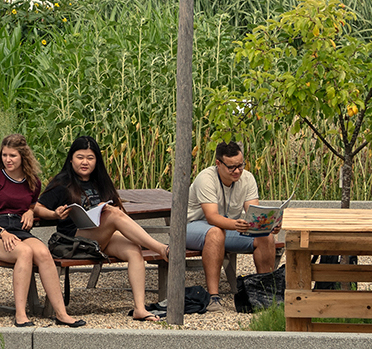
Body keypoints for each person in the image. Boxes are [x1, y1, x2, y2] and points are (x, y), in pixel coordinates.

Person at [39, 135, 170, 322]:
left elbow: (119, 211)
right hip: (75, 239)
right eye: (80, 157)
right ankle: (161, 249)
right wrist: (54, 214)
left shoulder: (100, 181)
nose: (85, 162)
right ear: (71, 159)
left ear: (96, 160)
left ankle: (139, 308)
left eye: (90, 158)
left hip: (100, 236)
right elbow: (37, 206)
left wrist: (105, 210)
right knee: (113, 215)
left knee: (134, 249)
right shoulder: (62, 183)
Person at [0, 134, 84, 328]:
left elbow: (33, 204)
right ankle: (20, 314)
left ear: (23, 157)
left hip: (19, 229)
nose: (7, 160)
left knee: (43, 253)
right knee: (25, 252)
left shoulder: (33, 182)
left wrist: (29, 210)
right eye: (4, 155)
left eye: (12, 156)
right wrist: (3, 232)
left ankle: (61, 313)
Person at [187, 141, 280, 313]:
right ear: (218, 164)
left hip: (228, 227)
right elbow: (212, 217)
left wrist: (267, 225)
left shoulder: (248, 178)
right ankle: (213, 297)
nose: (237, 171)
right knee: (215, 233)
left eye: (240, 165)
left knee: (265, 237)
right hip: (194, 226)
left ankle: (265, 294)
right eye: (231, 167)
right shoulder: (205, 178)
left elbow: (254, 212)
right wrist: (237, 225)